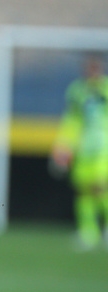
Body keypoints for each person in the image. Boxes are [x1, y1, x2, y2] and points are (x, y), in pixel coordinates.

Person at [51, 53, 108, 250]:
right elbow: (71, 120)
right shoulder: (76, 91)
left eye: (95, 67)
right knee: (83, 190)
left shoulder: (106, 89)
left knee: (101, 187)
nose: (92, 71)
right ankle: (88, 232)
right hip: (84, 149)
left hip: (104, 147)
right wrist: (63, 145)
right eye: (88, 67)